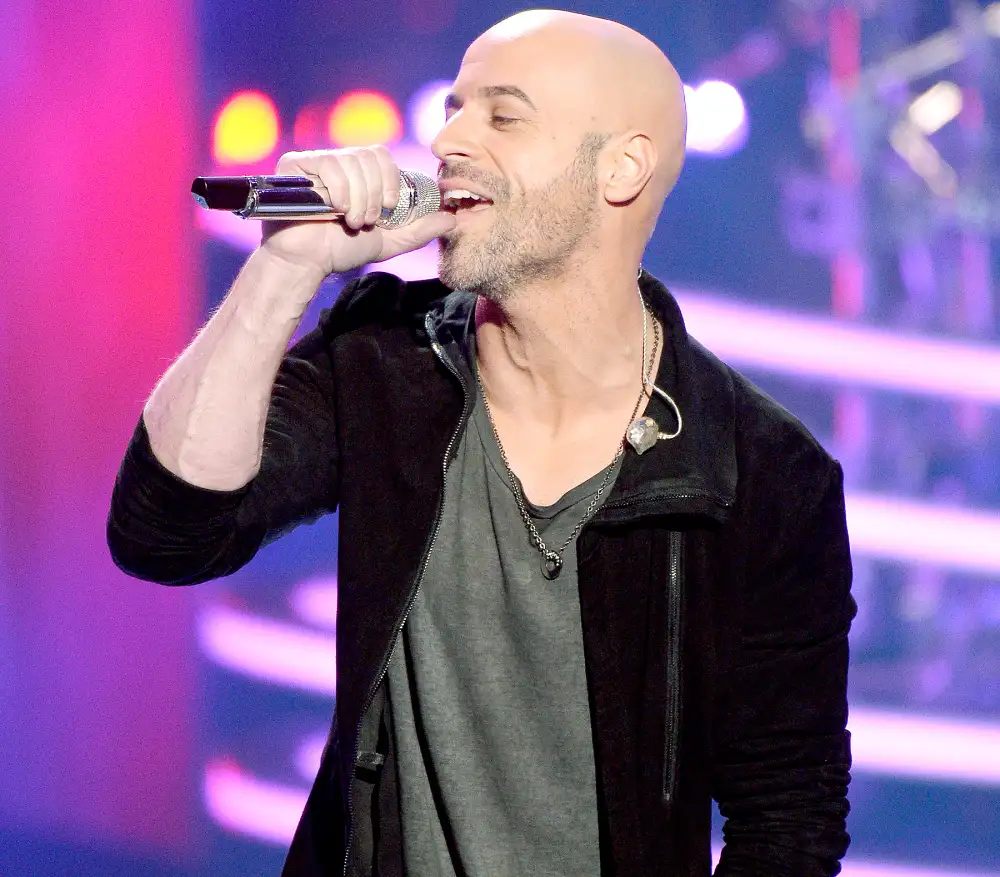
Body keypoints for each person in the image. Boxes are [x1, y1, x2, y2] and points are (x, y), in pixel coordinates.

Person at [108, 9, 855, 877]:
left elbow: (788, 818)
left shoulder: (759, 469)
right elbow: (167, 532)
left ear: (622, 168)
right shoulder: (386, 361)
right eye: (454, 109)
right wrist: (285, 269)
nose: (447, 141)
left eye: (503, 115)